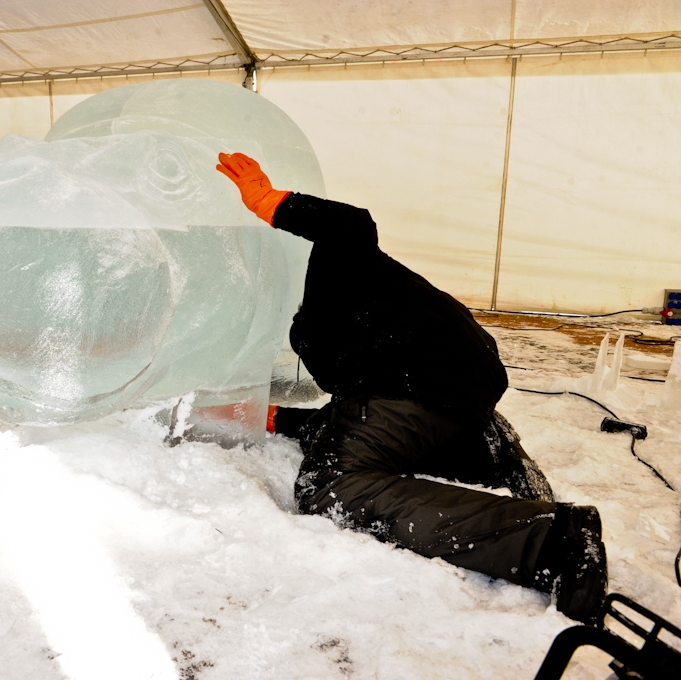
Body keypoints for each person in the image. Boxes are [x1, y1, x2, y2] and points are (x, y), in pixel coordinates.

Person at [216, 152, 608, 624]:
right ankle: (475, 449)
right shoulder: (362, 308)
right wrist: (276, 417)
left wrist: (273, 203)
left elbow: (350, 225)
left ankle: (551, 542)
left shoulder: (331, 283)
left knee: (329, 485)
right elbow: (356, 417)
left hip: (416, 376)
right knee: (357, 433)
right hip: (463, 380)